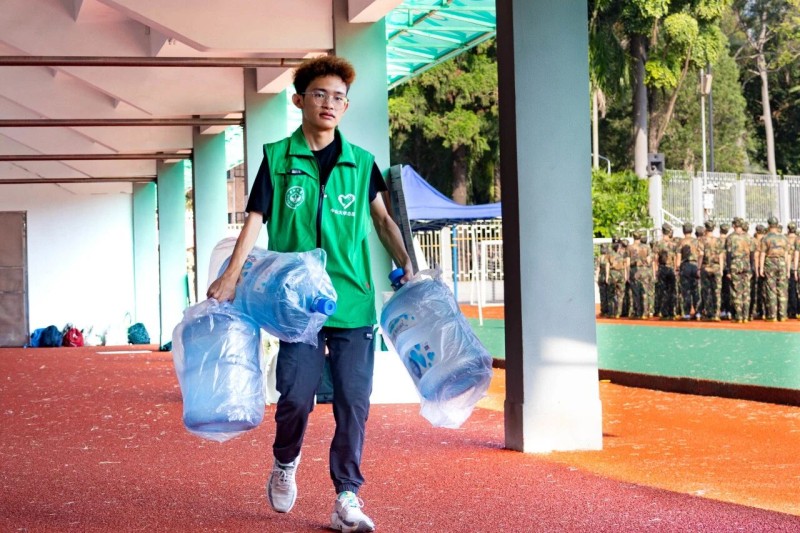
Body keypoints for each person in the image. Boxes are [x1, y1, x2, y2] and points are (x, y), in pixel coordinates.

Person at [207, 55, 413, 532]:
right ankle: (285, 460)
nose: (329, 103)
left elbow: (383, 221)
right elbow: (254, 221)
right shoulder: (277, 158)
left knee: (353, 402)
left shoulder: (362, 163)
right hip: (295, 305)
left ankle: (347, 495)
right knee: (296, 397)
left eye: (338, 97)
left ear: (346, 106)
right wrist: (230, 276)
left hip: (352, 300)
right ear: (299, 100)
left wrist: (411, 267)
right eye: (319, 94)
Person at [758, 216, 790, 321]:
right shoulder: (784, 238)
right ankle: (783, 315)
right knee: (782, 290)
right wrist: (787, 268)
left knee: (771, 289)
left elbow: (763, 253)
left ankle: (773, 315)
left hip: (770, 263)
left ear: (769, 225)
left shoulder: (766, 238)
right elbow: (787, 254)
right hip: (782, 263)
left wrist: (761, 268)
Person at [676, 222, 701, 320]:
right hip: (695, 265)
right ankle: (698, 313)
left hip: (685, 266)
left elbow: (678, 256)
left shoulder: (681, 242)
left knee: (686, 291)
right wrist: (699, 267)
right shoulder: (697, 241)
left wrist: (677, 268)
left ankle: (686, 313)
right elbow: (701, 254)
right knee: (696, 290)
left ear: (683, 231)